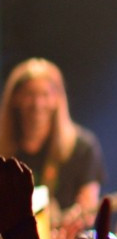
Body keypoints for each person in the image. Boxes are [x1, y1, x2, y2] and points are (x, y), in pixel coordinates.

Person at [0, 58, 105, 223]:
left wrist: (73, 220)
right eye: (29, 94)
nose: (37, 104)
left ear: (57, 99)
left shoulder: (82, 148)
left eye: (45, 94)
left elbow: (88, 212)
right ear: (15, 98)